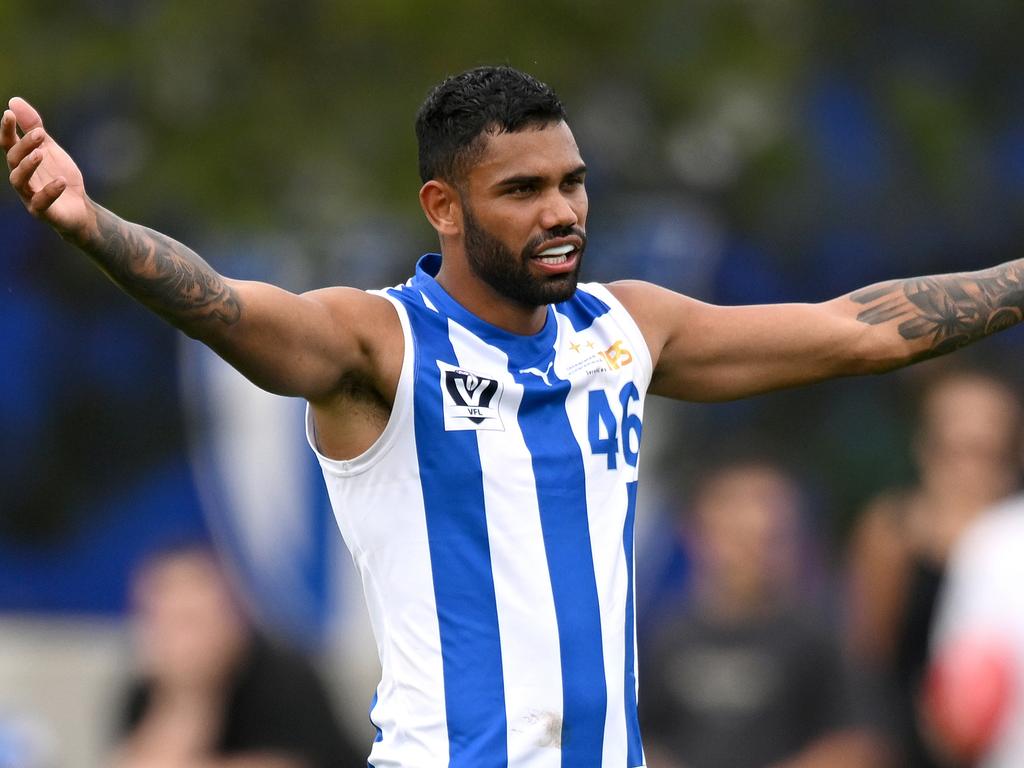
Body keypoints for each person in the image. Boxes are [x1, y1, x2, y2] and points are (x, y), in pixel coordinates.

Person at [4, 65, 1024, 767]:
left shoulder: (627, 328)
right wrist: (94, 227)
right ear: (443, 207)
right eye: (524, 190)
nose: (562, 212)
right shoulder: (380, 348)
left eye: (573, 183)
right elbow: (224, 306)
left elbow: (854, 330)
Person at [641, 457, 884, 768]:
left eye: (770, 535)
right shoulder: (663, 634)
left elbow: (863, 744)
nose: (753, 546)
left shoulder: (819, 634)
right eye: (736, 534)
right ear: (696, 533)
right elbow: (631, 735)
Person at [845, 370, 1023, 766]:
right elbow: (867, 660)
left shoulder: (1013, 542)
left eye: (984, 451)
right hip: (907, 744)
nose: (966, 469)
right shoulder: (891, 531)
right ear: (925, 447)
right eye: (952, 449)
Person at [112, 542, 362, 768]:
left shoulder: (283, 678)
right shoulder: (146, 694)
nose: (183, 641)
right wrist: (188, 697)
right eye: (167, 623)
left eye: (192, 620)